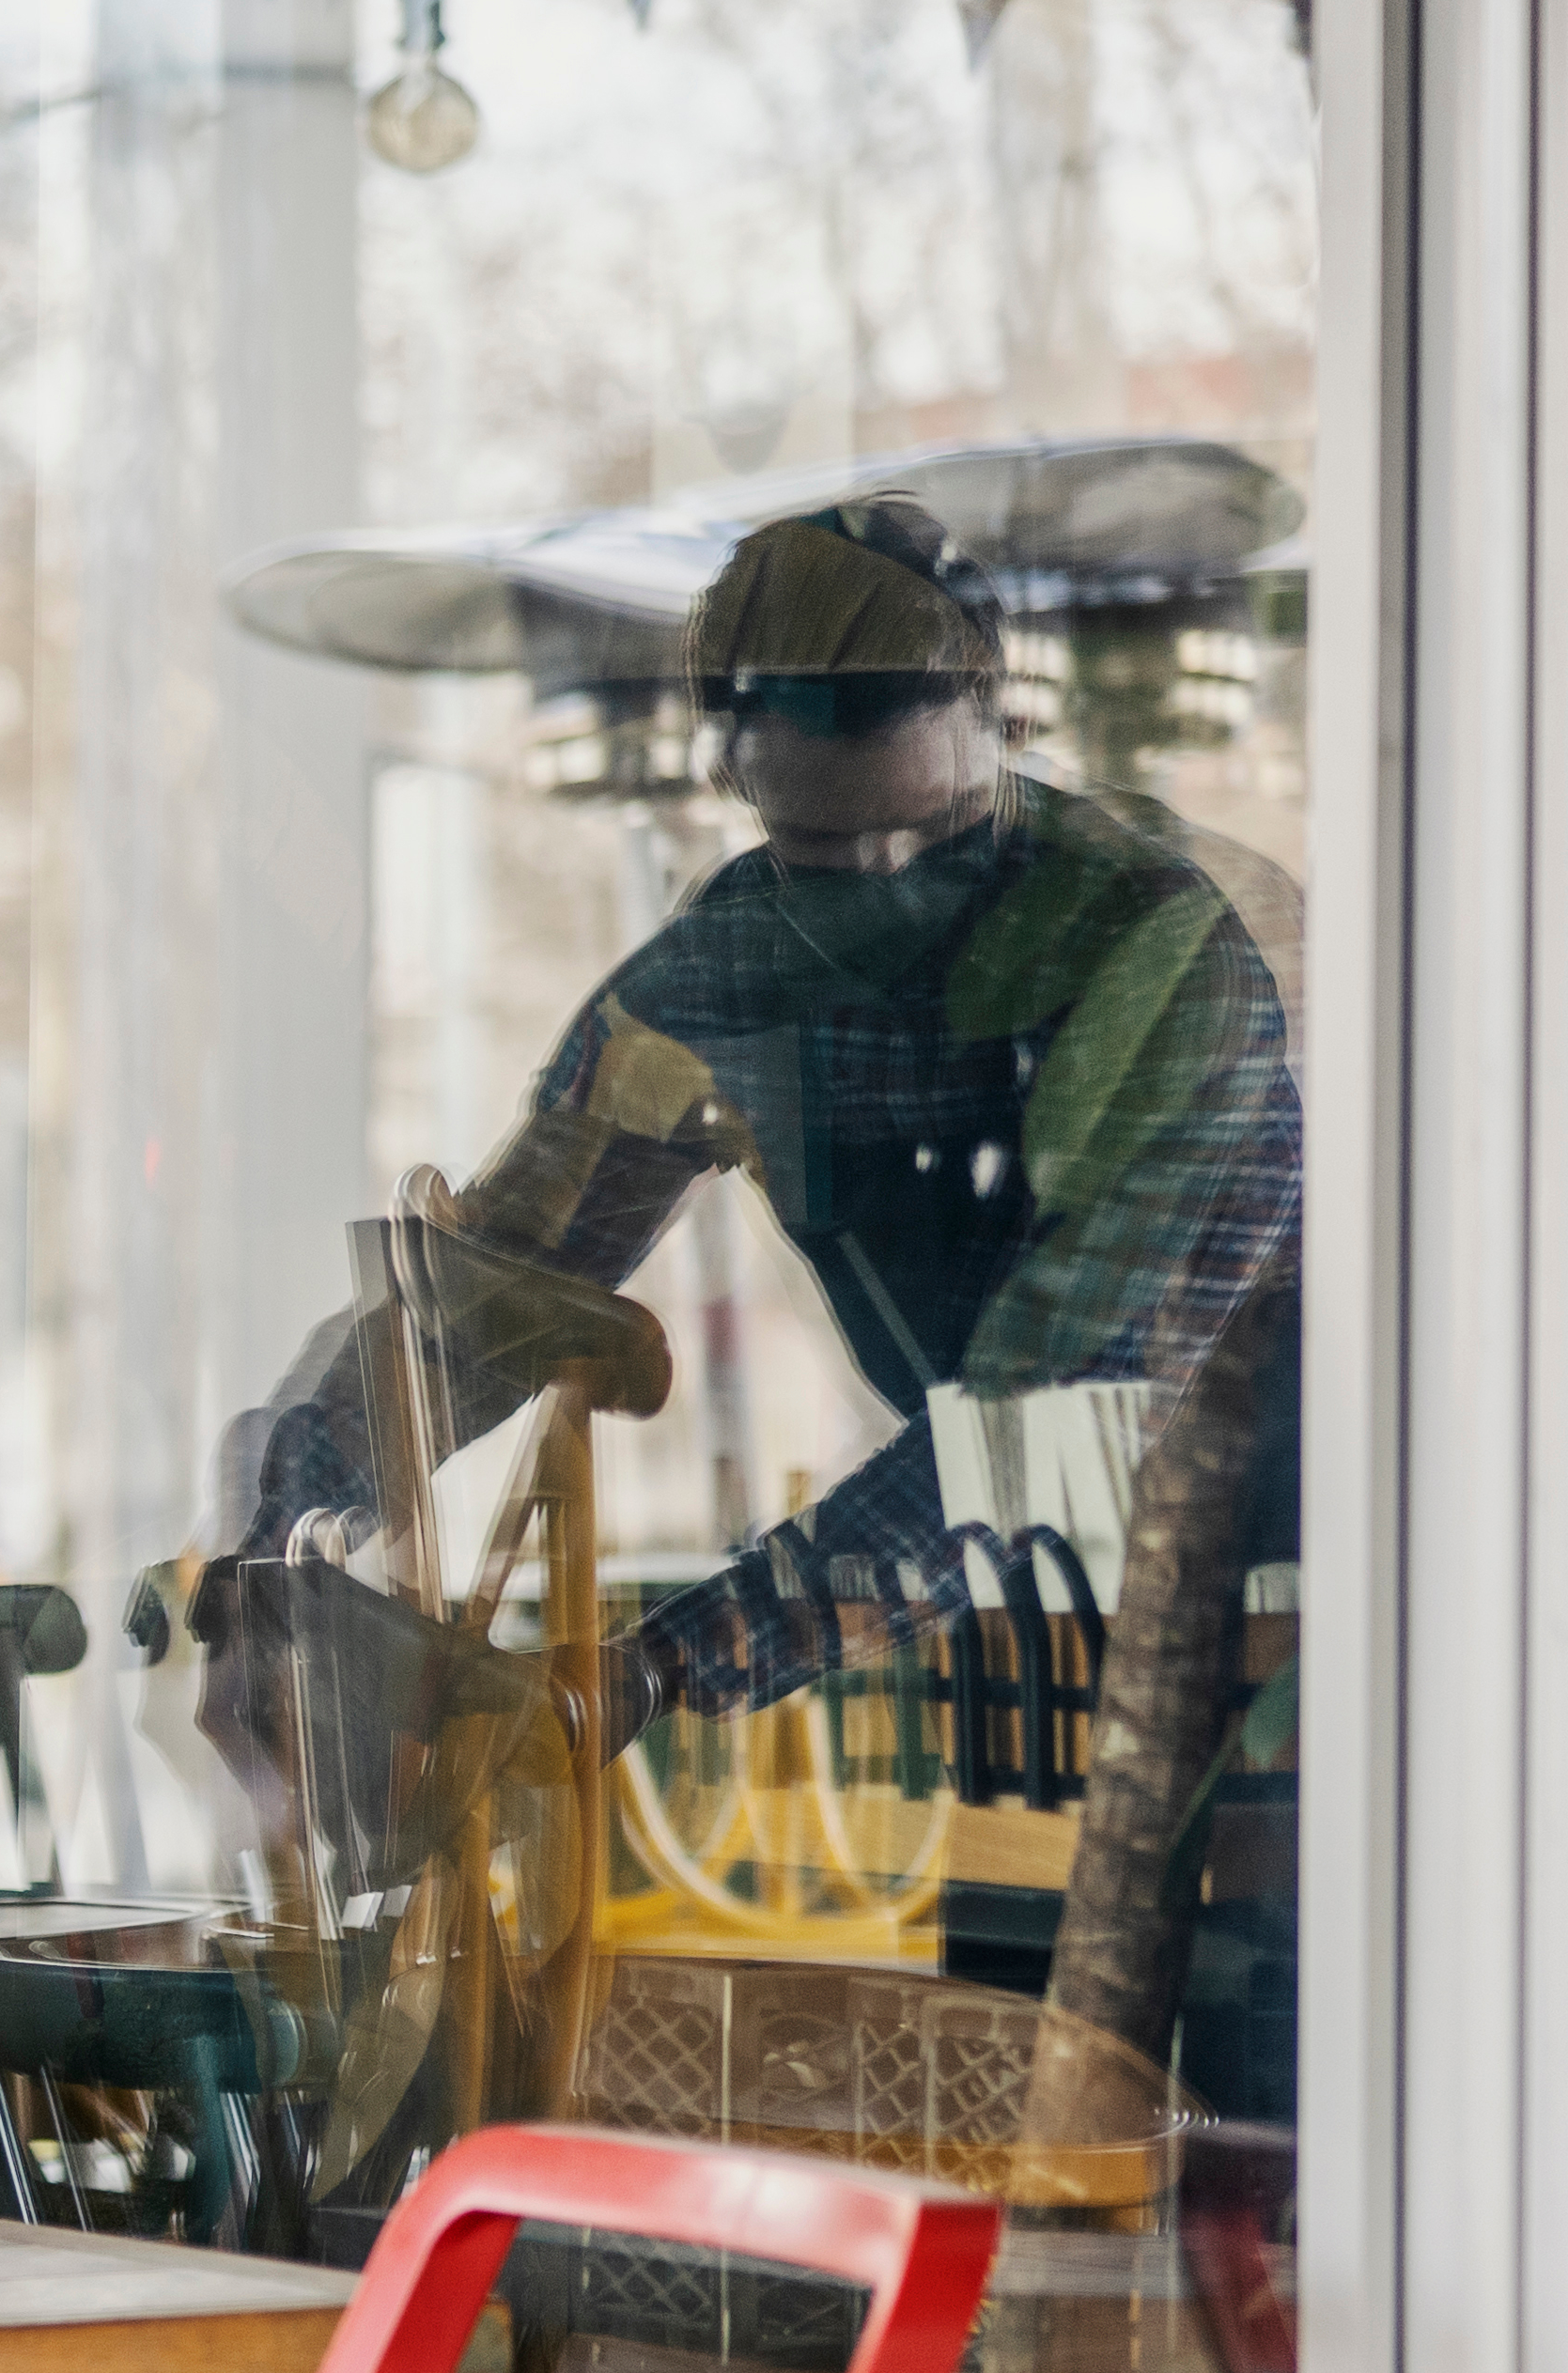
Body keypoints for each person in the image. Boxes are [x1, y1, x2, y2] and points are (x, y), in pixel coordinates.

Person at [197, 493, 1298, 1886]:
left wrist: (643, 1676)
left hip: (1316, 1631)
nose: (886, 896)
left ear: (999, 733)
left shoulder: (1159, 962)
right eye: (827, 861)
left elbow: (1047, 1437)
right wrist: (279, 1537)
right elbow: (487, 1301)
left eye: (937, 839)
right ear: (745, 787)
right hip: (1032, 1651)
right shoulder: (720, 981)